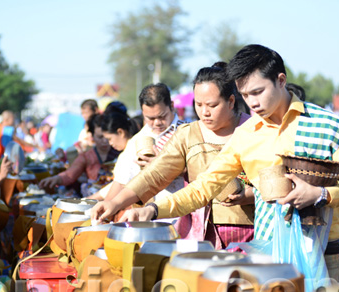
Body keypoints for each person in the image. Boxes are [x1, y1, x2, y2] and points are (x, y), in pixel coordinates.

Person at [116, 44, 339, 282]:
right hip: (269, 255)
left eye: (258, 92)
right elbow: (204, 187)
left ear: (281, 81)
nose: (253, 103)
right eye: (246, 94)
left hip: (325, 254)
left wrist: (320, 194)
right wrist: (154, 210)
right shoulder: (247, 134)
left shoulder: (322, 125)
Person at [92, 64, 255, 244]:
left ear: (231, 101)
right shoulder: (187, 133)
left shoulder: (254, 130)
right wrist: (114, 203)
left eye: (212, 105)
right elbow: (154, 175)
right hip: (195, 231)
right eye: (199, 105)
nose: (204, 112)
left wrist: (251, 195)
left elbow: (275, 182)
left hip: (247, 232)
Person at [103, 83, 186, 202]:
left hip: (183, 211)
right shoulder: (139, 139)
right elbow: (122, 181)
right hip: (150, 215)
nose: (157, 123)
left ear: (171, 106)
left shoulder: (188, 132)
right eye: (150, 118)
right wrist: (107, 205)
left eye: (162, 116)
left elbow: (202, 173)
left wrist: (164, 166)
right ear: (142, 113)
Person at [38, 114, 119, 192]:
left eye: (107, 137)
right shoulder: (86, 156)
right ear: (92, 136)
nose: (104, 141)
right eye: (100, 137)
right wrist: (56, 179)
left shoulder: (119, 153)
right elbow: (70, 174)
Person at [88, 111, 141, 200]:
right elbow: (117, 183)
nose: (110, 143)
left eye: (109, 138)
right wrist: (91, 199)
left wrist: (106, 204)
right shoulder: (134, 144)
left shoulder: (128, 154)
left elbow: (120, 184)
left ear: (120, 132)